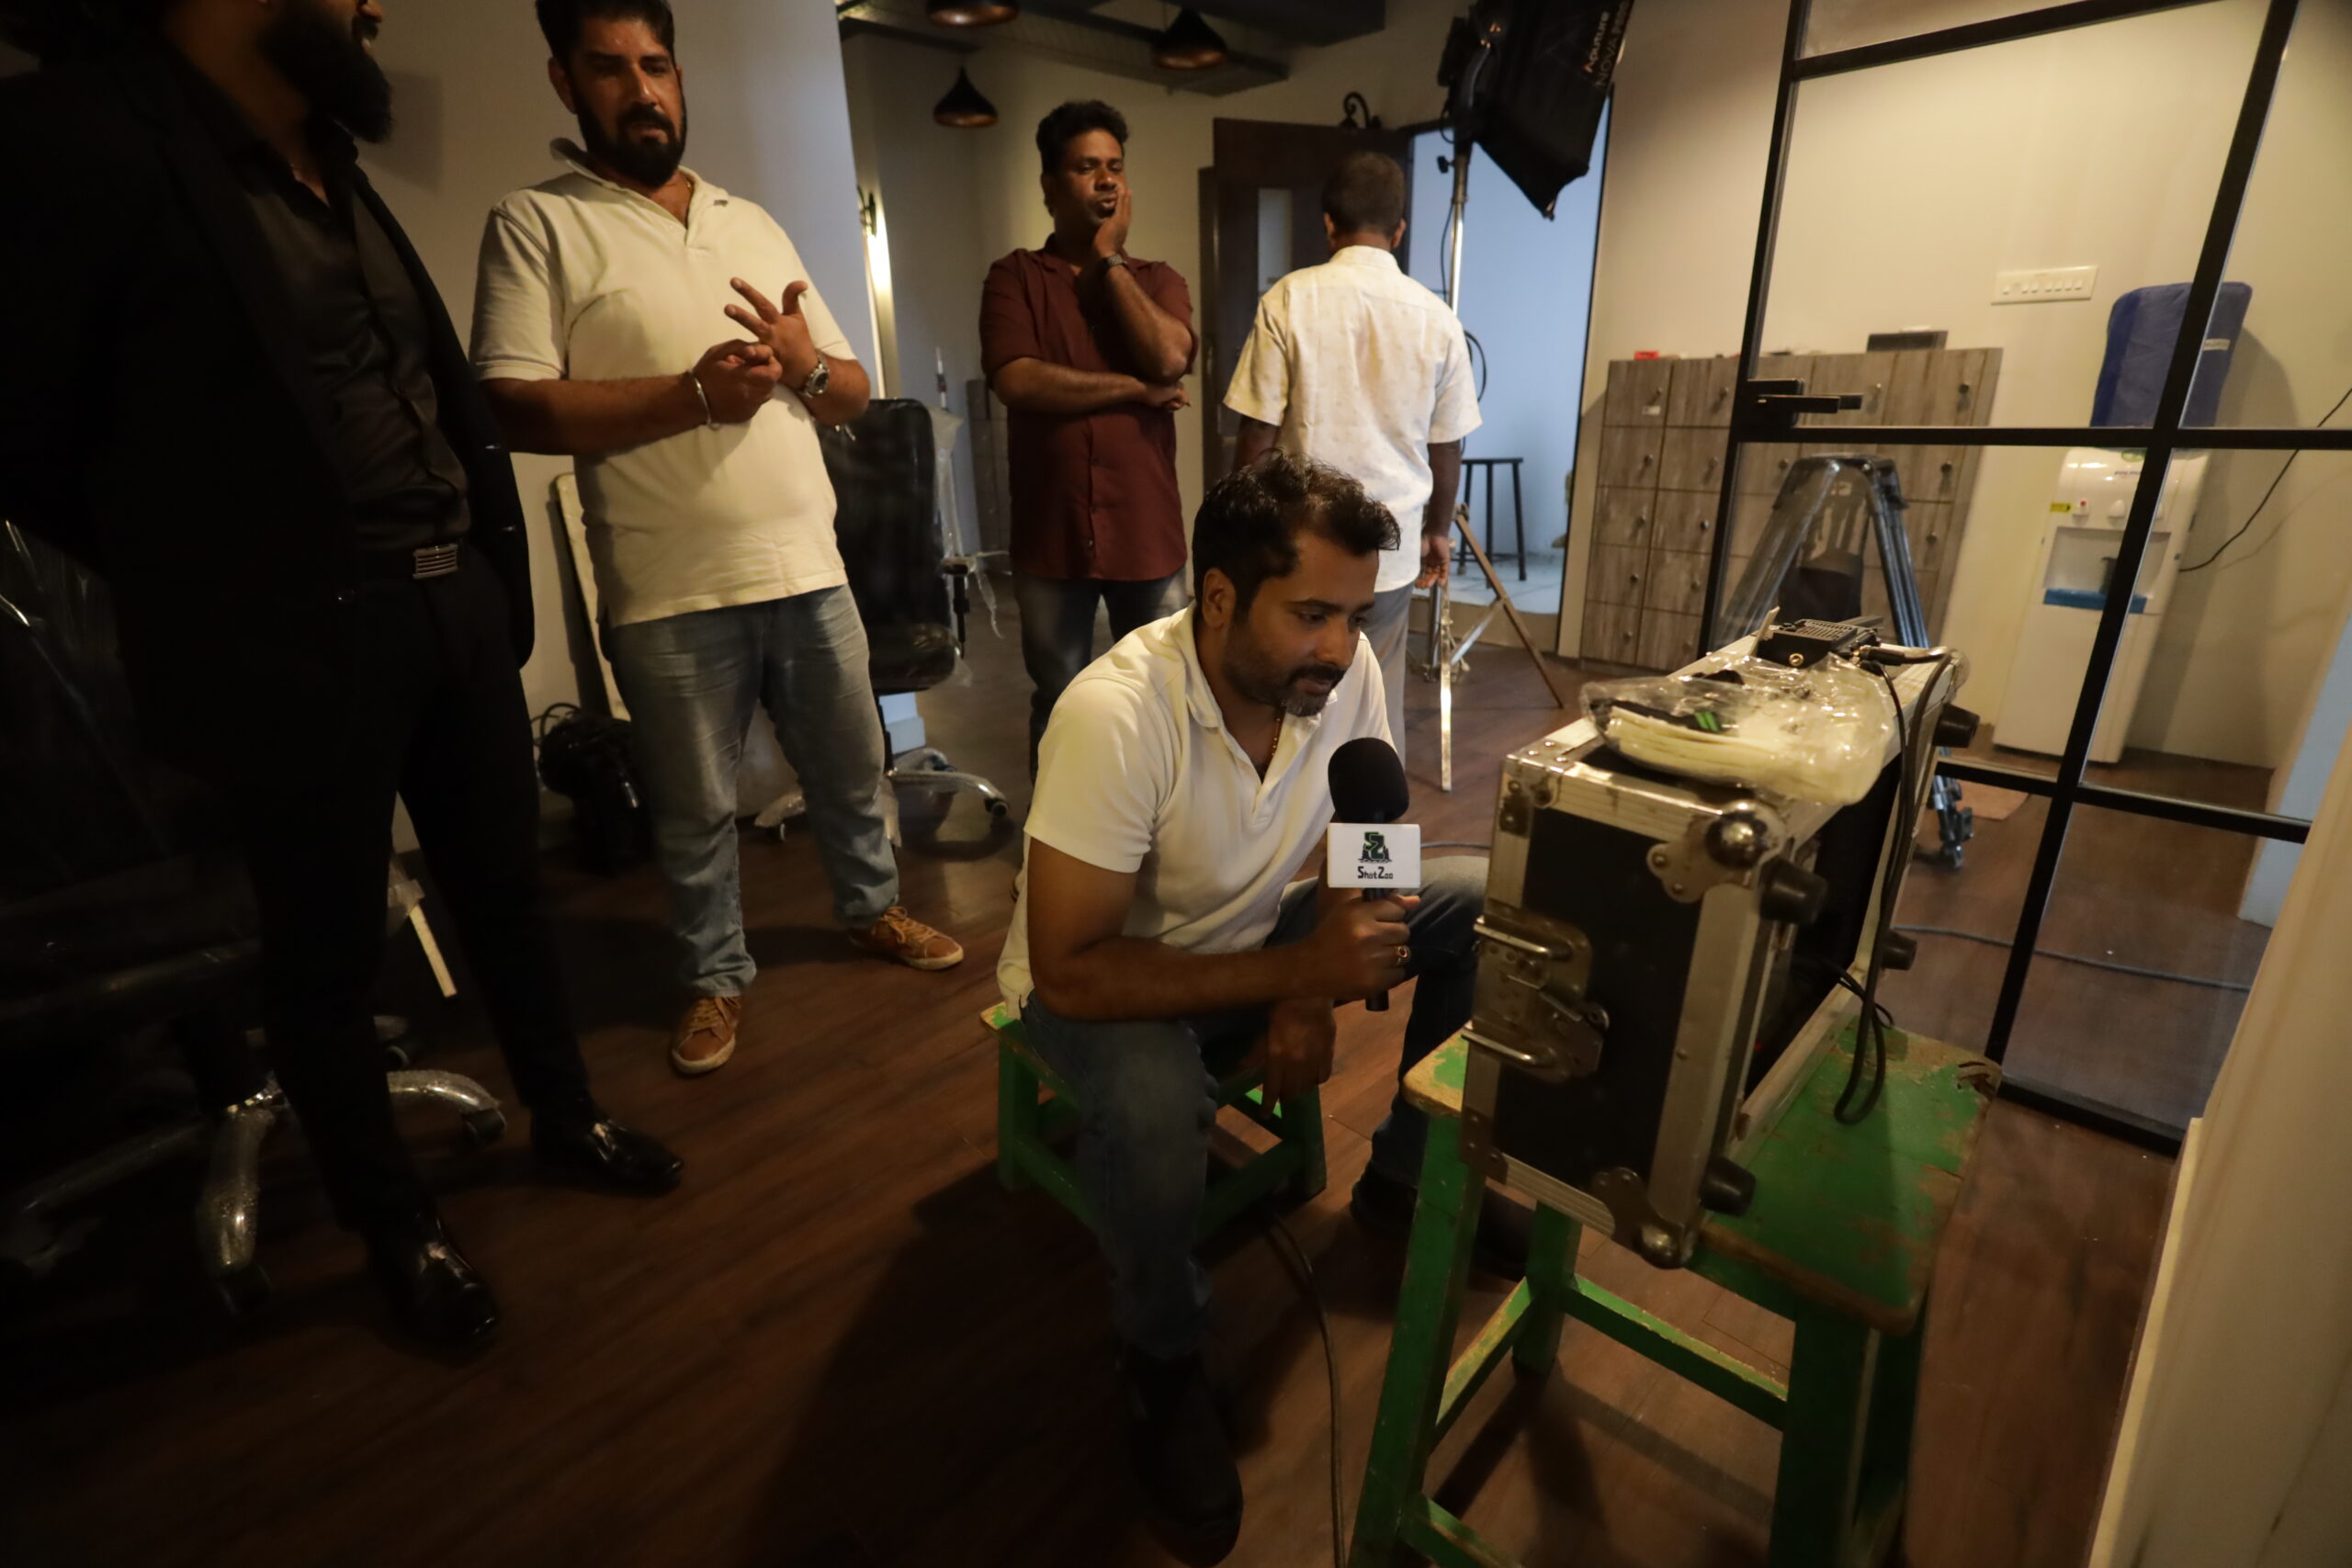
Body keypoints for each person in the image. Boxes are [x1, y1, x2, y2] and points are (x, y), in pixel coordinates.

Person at [0, 0, 682, 1352]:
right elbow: (29, 437)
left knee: (506, 893)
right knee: (324, 958)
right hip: (298, 636)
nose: (373, 5)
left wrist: (477, 576)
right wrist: (203, 574)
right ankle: (397, 1226)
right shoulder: (80, 140)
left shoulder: (333, 162)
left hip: (452, 603)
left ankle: (566, 1114)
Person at [999, 452, 1496, 1557]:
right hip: (1112, 981)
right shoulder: (1114, 714)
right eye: (1311, 613)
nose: (1341, 646)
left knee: (1480, 904)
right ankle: (1161, 1358)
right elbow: (1072, 969)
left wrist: (1315, 973)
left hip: (1259, 934)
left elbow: (1372, 824)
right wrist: (1301, 976)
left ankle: (1406, 1176)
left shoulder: (1335, 676)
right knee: (1150, 1105)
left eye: (1353, 615)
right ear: (1218, 597)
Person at [473, 0, 964, 1080]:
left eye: (656, 65)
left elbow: (850, 390)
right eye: (610, 69)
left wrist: (802, 363)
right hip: (667, 585)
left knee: (851, 770)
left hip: (808, 566)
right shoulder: (536, 223)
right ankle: (711, 975)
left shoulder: (753, 222)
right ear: (565, 83)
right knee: (694, 810)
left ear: (679, 77)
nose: (641, 89)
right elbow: (511, 405)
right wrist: (693, 397)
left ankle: (869, 909)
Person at [1225, 150, 1482, 769]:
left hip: (1299, 545)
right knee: (1374, 693)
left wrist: (1239, 529)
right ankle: (1370, 821)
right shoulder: (1438, 319)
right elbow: (1447, 446)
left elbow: (1257, 430)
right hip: (1387, 550)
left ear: (1328, 224)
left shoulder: (1289, 299)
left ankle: (1282, 812)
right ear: (1399, 231)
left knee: (1287, 686)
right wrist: (1437, 531)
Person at [979, 99, 1196, 773]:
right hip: (1054, 535)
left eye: (1115, 167)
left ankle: (1159, 822)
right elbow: (1018, 379)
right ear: (1050, 185)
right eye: (1086, 168)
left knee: (1165, 697)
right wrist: (1133, 390)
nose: (1107, 181)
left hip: (1146, 531)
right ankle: (1060, 829)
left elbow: (1169, 358)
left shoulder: (1157, 280)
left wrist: (1109, 261)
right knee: (1060, 698)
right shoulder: (1015, 277)